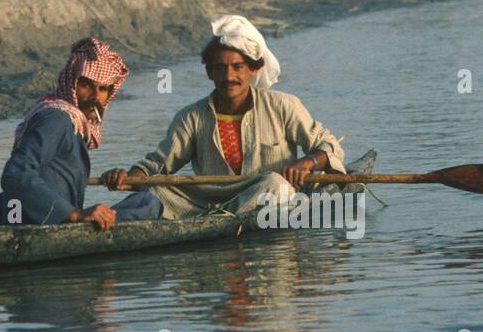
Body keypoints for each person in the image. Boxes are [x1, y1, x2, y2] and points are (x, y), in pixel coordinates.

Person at [100, 15, 344, 219]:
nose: (229, 77)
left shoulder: (283, 105)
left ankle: (222, 219)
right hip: (205, 202)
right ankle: (104, 219)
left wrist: (307, 163)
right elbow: (157, 166)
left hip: (263, 194)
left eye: (237, 67)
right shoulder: (191, 117)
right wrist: (127, 178)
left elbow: (329, 146)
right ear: (209, 72)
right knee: (155, 190)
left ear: (253, 69)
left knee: (276, 183)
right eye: (220, 68)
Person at [0, 37, 162, 230]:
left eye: (103, 89)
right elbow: (15, 175)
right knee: (148, 204)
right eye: (86, 85)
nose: (95, 96)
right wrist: (73, 215)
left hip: (38, 217)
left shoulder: (72, 122)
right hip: (40, 222)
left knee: (144, 201)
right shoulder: (58, 119)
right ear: (72, 84)